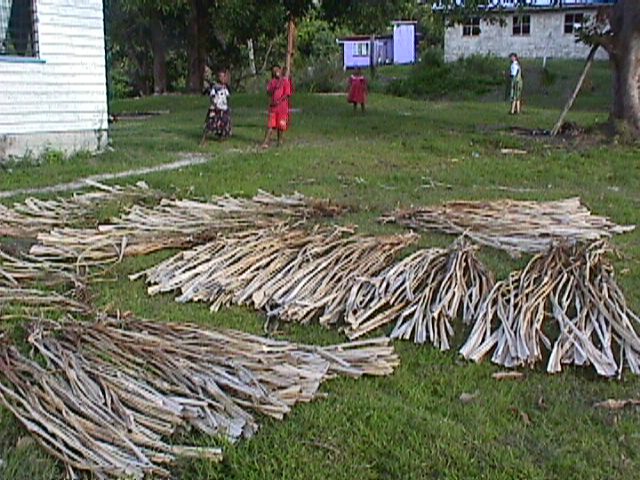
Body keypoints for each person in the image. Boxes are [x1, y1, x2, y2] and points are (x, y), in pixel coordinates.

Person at [262, 65, 290, 148]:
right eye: (274, 71)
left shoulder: (285, 82)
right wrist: (270, 88)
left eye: (277, 70)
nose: (276, 72)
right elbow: (269, 92)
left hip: (282, 108)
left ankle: (279, 141)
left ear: (281, 71)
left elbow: (287, 94)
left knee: (280, 126)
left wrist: (279, 100)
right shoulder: (273, 82)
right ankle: (266, 142)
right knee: (270, 125)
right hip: (273, 108)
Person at [201, 69, 231, 144]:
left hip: (223, 108)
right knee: (211, 123)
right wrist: (214, 104)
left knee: (223, 122)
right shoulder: (215, 87)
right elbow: (212, 96)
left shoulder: (225, 88)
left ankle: (221, 136)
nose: (222, 78)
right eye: (220, 76)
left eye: (223, 76)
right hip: (216, 107)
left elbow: (227, 97)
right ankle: (204, 138)